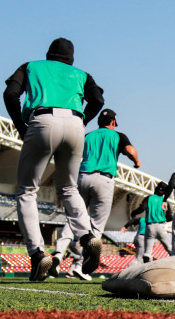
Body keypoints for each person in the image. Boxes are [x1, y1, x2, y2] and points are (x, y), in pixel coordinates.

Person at [3, 37, 104, 281]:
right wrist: (82, 122)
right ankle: (88, 237)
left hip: (41, 120)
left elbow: (10, 94)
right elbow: (98, 100)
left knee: (27, 191)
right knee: (69, 188)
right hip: (75, 123)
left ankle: (38, 254)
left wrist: (20, 125)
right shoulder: (82, 74)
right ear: (71, 59)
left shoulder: (31, 66)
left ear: (49, 54)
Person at [56, 108, 141, 276]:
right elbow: (130, 151)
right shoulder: (118, 136)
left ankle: (58, 254)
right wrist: (137, 161)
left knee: (74, 217)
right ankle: (81, 265)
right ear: (113, 122)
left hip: (83, 177)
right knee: (96, 225)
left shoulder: (88, 136)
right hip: (104, 179)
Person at [129, 181, 173, 261]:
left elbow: (142, 208)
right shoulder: (164, 201)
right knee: (168, 246)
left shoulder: (149, 198)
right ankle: (174, 257)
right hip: (161, 225)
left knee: (148, 250)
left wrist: (134, 212)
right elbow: (170, 217)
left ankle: (147, 256)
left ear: (156, 189)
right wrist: (162, 217)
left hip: (149, 226)